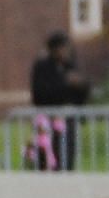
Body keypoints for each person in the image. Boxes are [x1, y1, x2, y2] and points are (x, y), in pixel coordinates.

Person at [28, 29, 88, 170]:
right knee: (50, 155)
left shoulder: (70, 65)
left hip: (68, 117)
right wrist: (64, 83)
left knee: (68, 153)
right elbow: (40, 92)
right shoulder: (43, 67)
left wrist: (80, 85)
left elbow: (83, 88)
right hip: (49, 118)